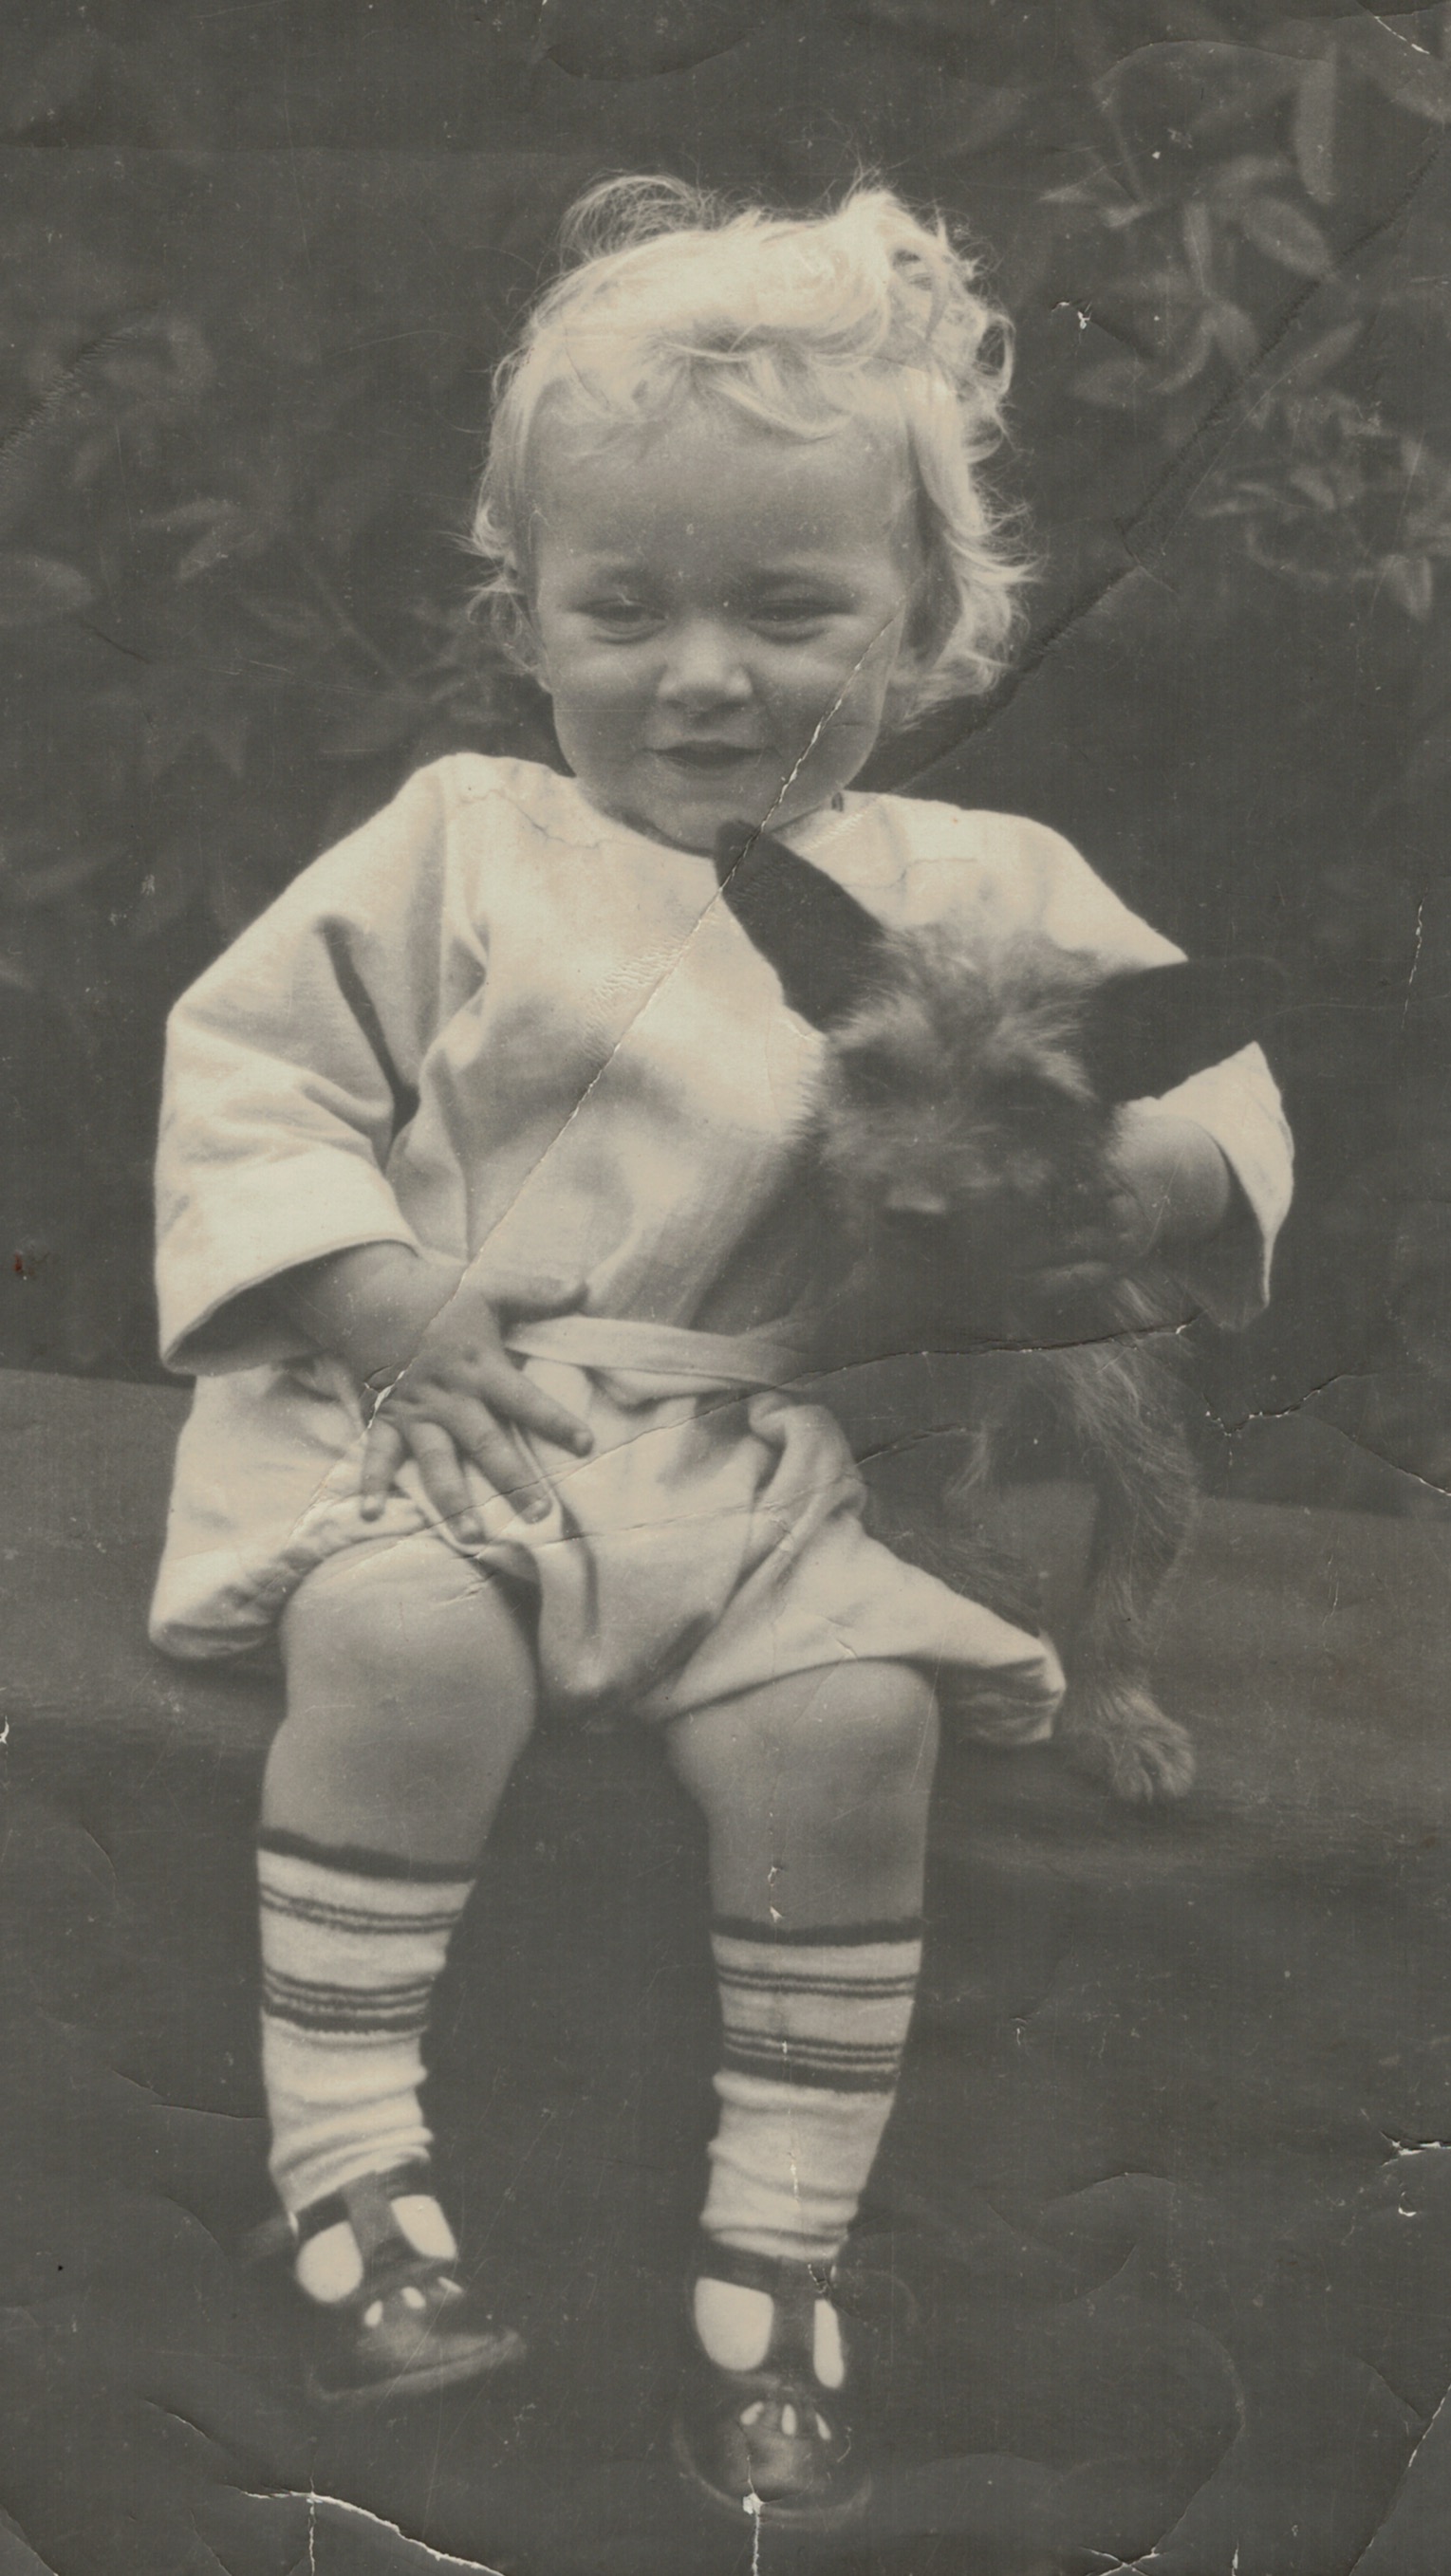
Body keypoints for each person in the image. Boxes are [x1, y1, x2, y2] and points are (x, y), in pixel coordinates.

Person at [149, 176, 1293, 2529]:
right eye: (625, 608)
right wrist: (368, 1286)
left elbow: (1222, 1077)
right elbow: (252, 1075)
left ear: (926, 618)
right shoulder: (461, 841)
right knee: (397, 1650)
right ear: (527, 619)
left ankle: (777, 2259)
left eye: (788, 610)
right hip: (460, 1414)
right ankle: (351, 2176)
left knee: (857, 1728)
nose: (704, 677)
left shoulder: (982, 880)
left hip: (759, 1458)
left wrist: (1172, 1173)